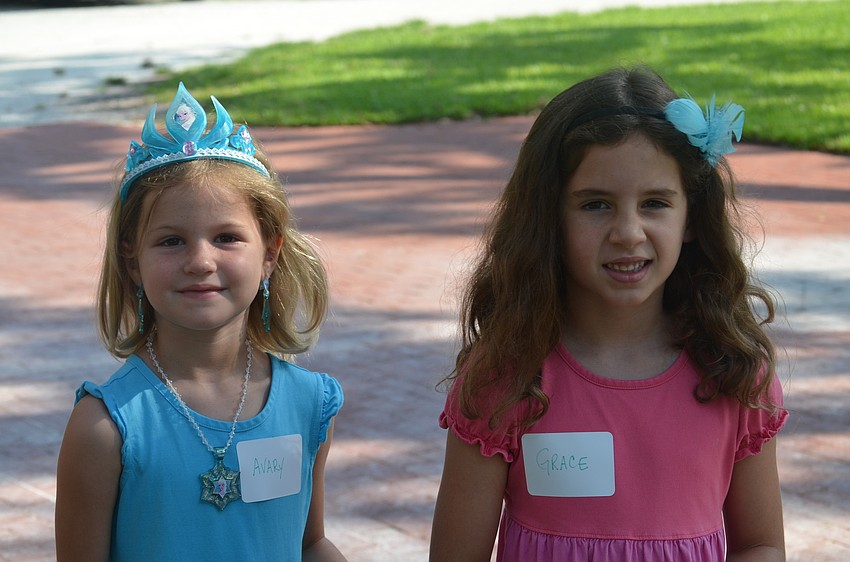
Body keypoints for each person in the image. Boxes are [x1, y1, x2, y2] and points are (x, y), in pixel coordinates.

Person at [430, 66, 788, 562]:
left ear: (692, 215)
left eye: (655, 203)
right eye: (596, 204)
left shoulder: (736, 373)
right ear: (548, 218)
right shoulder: (504, 379)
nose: (627, 231)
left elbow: (762, 545)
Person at [55, 83, 347, 562]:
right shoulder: (105, 428)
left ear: (270, 254)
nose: (200, 261)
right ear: (132, 263)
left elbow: (309, 543)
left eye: (227, 237)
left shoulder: (308, 404)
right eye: (171, 241)